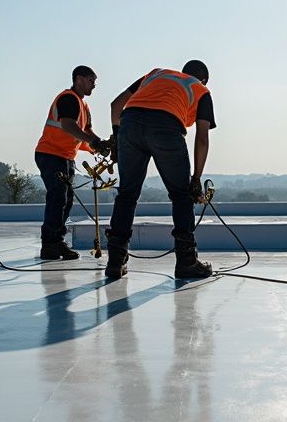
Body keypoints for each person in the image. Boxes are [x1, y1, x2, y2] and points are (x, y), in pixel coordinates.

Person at [105, 60, 215, 280]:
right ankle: (186, 262)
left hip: (130, 122)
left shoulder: (156, 74)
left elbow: (116, 105)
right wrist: (196, 179)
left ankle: (115, 263)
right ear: (203, 79)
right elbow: (202, 138)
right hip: (165, 126)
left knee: (127, 194)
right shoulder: (201, 90)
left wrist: (117, 138)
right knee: (181, 196)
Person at [34, 65, 106, 260]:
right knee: (58, 197)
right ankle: (50, 244)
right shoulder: (68, 99)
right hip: (51, 154)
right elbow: (68, 126)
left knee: (65, 201)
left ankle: (55, 241)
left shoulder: (84, 106)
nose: (94, 85)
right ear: (79, 79)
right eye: (91, 81)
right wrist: (93, 142)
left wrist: (101, 145)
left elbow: (87, 132)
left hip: (65, 156)